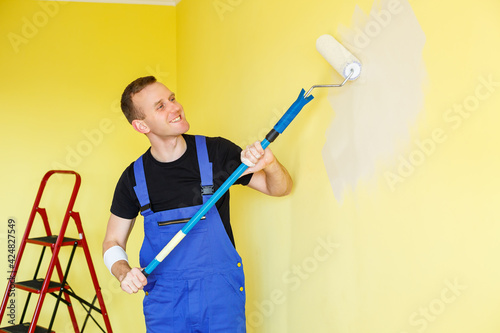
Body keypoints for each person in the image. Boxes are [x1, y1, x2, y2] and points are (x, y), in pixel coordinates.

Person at [102, 76, 293, 332]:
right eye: (160, 106)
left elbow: (279, 188)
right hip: (166, 303)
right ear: (140, 125)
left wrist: (270, 164)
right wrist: (123, 272)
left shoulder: (216, 153)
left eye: (172, 98)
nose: (175, 107)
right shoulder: (133, 178)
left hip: (220, 298)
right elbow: (112, 241)